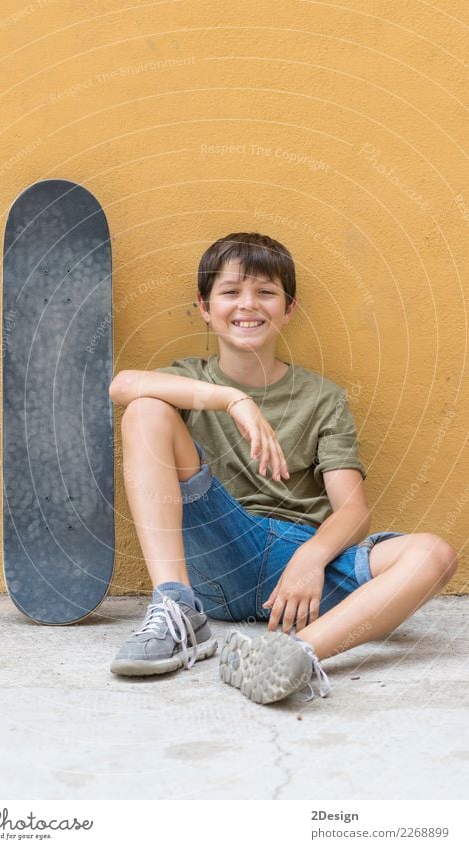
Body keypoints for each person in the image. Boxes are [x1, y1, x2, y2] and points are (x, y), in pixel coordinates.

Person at [108, 232, 457, 704]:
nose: (247, 305)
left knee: (435, 555)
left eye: (266, 292)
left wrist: (311, 558)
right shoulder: (191, 379)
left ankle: (292, 654)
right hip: (220, 547)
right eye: (230, 292)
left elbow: (354, 511)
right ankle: (178, 609)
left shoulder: (323, 398)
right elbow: (123, 385)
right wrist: (234, 399)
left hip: (304, 572)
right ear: (205, 307)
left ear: (288, 309)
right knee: (146, 409)